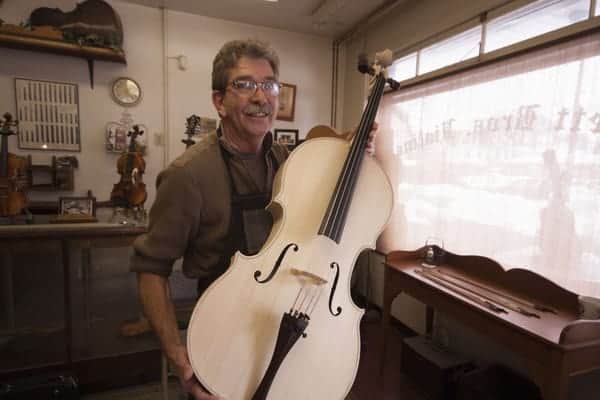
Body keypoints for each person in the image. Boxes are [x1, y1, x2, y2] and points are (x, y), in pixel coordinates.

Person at [130, 39, 376, 400]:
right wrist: (178, 357)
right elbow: (151, 268)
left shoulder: (289, 162)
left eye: (269, 85)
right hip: (220, 330)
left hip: (286, 316)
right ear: (219, 102)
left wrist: (351, 151)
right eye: (244, 84)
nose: (261, 97)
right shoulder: (188, 175)